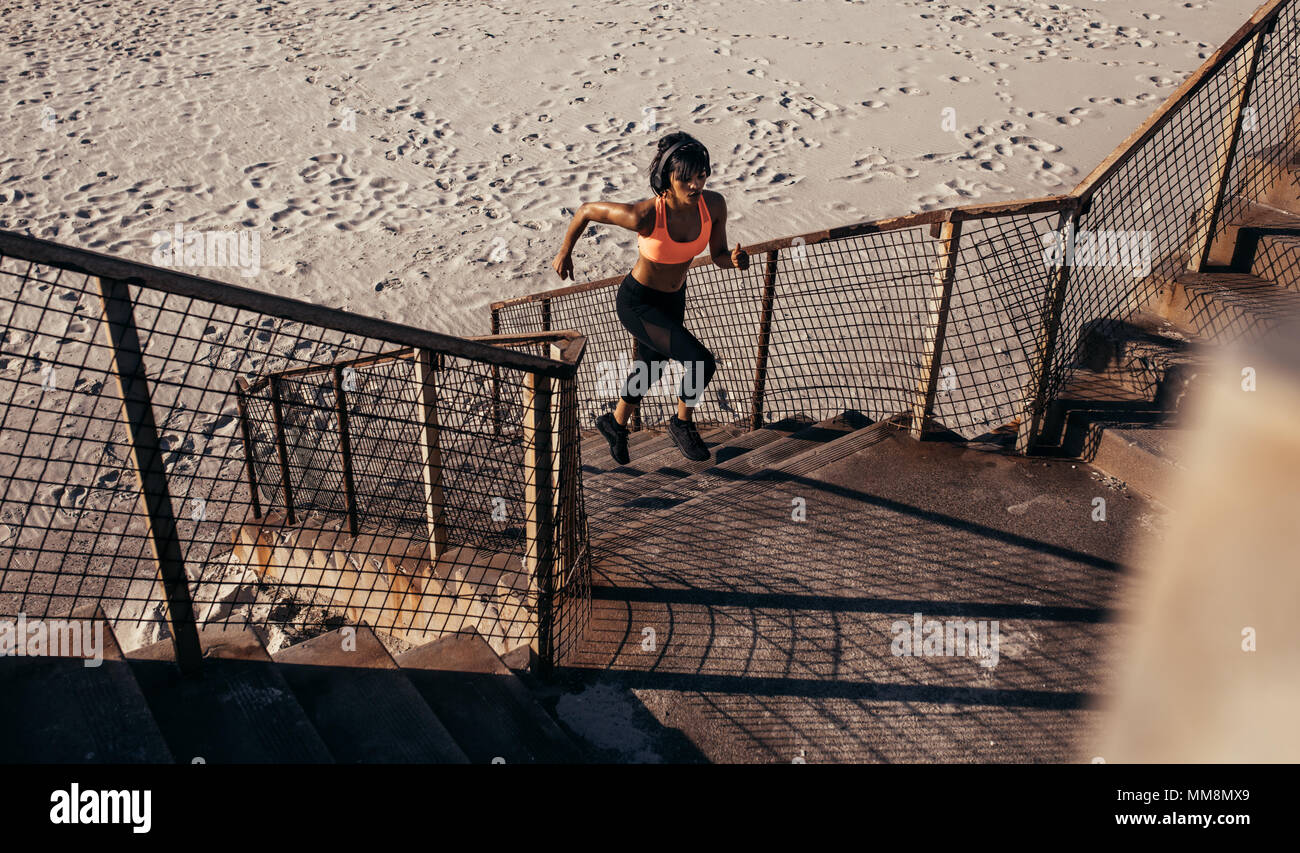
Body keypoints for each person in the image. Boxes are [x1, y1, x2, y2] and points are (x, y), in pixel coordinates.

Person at [551, 131, 748, 464]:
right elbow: (585, 210)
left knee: (650, 367)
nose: (695, 185)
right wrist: (565, 252)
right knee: (702, 362)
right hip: (638, 302)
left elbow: (718, 253)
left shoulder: (713, 205)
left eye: (701, 175)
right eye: (685, 178)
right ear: (666, 179)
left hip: (674, 299)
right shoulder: (645, 214)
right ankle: (681, 423)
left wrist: (734, 261)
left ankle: (614, 424)